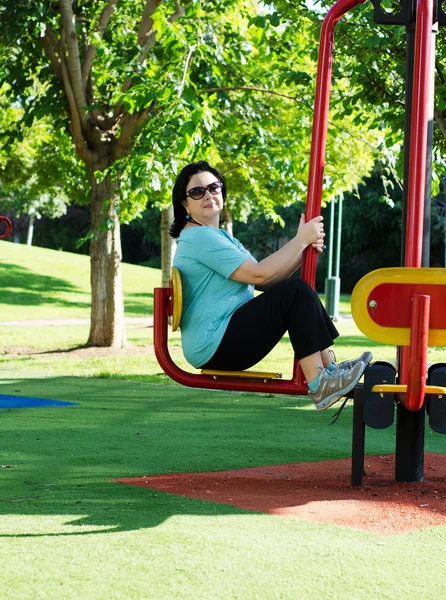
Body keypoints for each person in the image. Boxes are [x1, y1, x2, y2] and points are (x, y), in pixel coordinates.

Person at [170, 161, 372, 411]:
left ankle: (329, 370)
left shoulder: (215, 236)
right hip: (216, 343)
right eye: (198, 192)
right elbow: (260, 276)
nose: (209, 195)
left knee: (295, 291)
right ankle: (321, 383)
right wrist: (300, 240)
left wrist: (303, 249)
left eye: (214, 187)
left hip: (220, 339)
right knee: (296, 291)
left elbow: (268, 280)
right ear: (184, 203)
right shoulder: (201, 237)